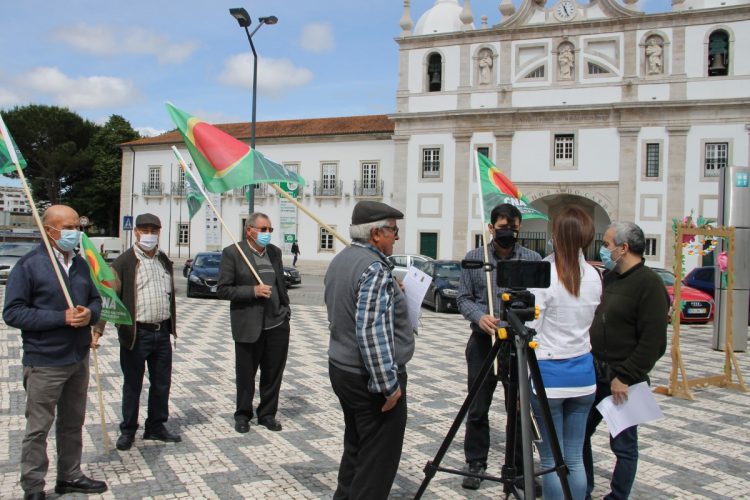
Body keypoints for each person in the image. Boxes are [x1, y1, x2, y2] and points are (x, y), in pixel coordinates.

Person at [3, 205, 108, 499]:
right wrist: (60, 317)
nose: (75, 233)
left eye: (78, 227)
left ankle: (70, 475)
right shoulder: (30, 265)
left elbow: (96, 299)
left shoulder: (80, 264)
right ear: (48, 231)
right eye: (68, 228)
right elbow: (12, 313)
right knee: (38, 428)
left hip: (78, 357)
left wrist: (90, 313)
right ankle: (33, 485)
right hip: (45, 360)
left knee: (73, 422)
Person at [324, 200, 415, 499]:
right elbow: (370, 331)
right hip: (368, 379)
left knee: (357, 447)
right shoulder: (374, 268)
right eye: (393, 231)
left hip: (341, 369)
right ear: (376, 233)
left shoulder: (341, 260)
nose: (396, 237)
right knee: (376, 463)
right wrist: (388, 386)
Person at [456, 203, 542, 492]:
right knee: (478, 406)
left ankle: (518, 467)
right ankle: (475, 462)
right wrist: (479, 316)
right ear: (491, 228)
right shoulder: (474, 258)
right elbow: (463, 298)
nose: (509, 234)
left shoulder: (531, 258)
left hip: (516, 342)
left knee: (518, 408)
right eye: (504, 228)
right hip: (483, 342)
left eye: (514, 229)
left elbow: (539, 300)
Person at [583, 221, 668, 500]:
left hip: (623, 380)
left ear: (623, 248)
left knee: (623, 446)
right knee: (579, 433)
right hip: (595, 373)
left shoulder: (650, 285)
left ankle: (617, 497)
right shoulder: (609, 278)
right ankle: (583, 488)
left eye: (606, 244)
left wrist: (626, 376)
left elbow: (653, 342)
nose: (603, 250)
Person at [527, 206, 602, 500]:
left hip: (549, 374)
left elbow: (530, 326)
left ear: (555, 236)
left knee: (551, 461)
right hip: (583, 373)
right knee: (574, 458)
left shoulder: (545, 273)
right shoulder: (595, 275)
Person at [97, 213, 181, 451]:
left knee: (161, 383)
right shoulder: (124, 262)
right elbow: (108, 297)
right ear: (135, 232)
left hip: (161, 331)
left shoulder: (163, 260)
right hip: (136, 333)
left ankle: (156, 426)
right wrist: (98, 330)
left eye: (154, 231)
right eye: (145, 230)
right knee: (133, 384)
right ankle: (128, 430)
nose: (149, 235)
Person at [218, 212, 290, 434]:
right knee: (246, 374)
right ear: (249, 230)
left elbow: (280, 284)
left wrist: (285, 310)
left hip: (277, 323)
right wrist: (253, 291)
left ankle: (267, 414)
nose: (267, 233)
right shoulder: (233, 253)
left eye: (270, 230)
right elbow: (222, 290)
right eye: (263, 229)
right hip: (249, 324)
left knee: (273, 373)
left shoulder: (275, 253)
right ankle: (243, 414)